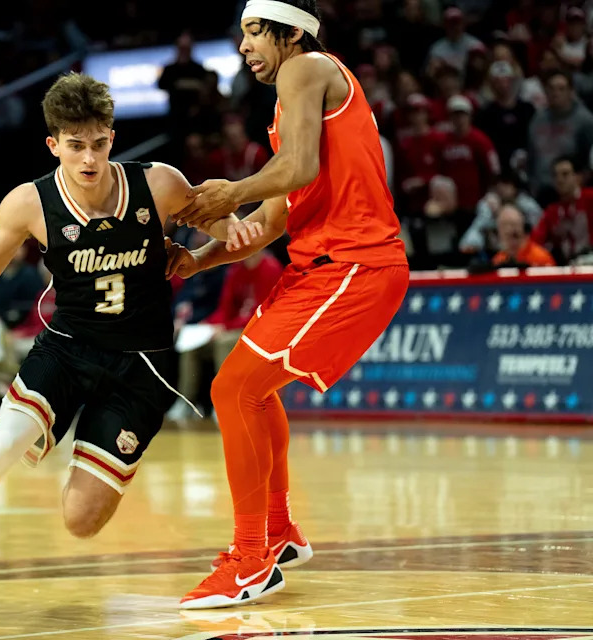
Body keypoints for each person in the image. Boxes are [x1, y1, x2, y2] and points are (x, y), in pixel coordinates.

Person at [0, 72, 260, 629]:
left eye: (98, 143)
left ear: (112, 138)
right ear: (54, 144)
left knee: (80, 521)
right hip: (68, 348)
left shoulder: (160, 185)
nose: (89, 158)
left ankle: (88, 446)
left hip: (143, 366)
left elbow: (225, 222)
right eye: (75, 145)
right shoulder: (29, 203)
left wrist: (228, 228)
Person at [169, 0, 409, 609]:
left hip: (356, 265)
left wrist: (231, 189)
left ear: (291, 32)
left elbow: (293, 168)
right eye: (242, 34)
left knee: (234, 390)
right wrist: (198, 259)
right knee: (252, 391)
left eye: (253, 32)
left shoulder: (307, 68)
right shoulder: (292, 102)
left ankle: (251, 558)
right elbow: (274, 218)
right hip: (315, 267)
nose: (244, 46)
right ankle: (278, 533)